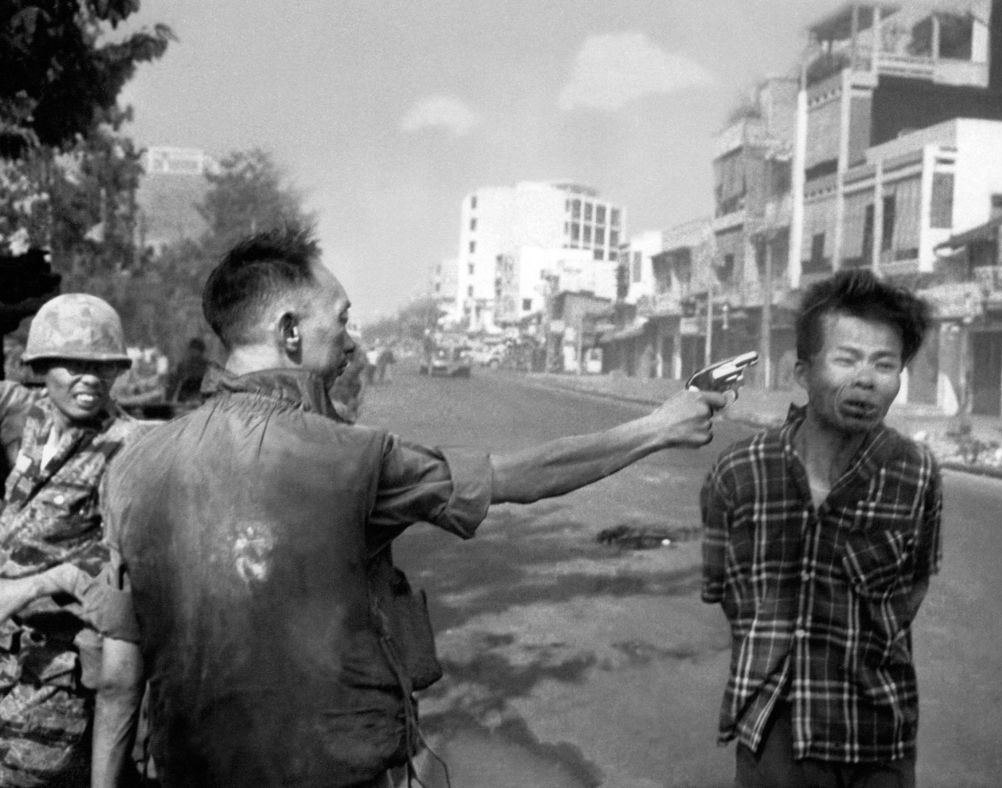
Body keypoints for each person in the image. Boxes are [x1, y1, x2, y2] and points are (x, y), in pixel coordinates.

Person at [94, 225, 726, 787]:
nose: (350, 341)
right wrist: (659, 427)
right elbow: (522, 476)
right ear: (290, 331)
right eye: (340, 321)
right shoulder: (353, 459)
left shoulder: (131, 468)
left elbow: (121, 672)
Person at [701, 269, 941, 788]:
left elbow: (912, 589)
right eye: (847, 359)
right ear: (803, 373)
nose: (867, 379)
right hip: (770, 732)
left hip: (876, 738)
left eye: (885, 364)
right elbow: (724, 589)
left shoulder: (915, 472)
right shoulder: (738, 473)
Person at [0, 294, 150, 786]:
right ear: (42, 367)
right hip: (5, 649)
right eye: (73, 365)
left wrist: (33, 585)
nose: (89, 379)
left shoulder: (127, 448)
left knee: (30, 777)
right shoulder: (30, 417)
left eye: (103, 367)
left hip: (54, 663)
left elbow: (121, 558)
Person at [166, 337, 209, 405]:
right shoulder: (183, 366)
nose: (194, 353)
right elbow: (173, 384)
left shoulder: (207, 366)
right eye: (193, 350)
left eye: (196, 350)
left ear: (201, 352)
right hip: (186, 400)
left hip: (200, 400)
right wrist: (168, 400)